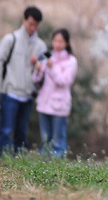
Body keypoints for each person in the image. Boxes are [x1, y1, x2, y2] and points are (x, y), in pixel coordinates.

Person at [0, 6, 48, 155]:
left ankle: (19, 165)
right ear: (24, 20)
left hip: (28, 95)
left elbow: (44, 73)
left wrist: (38, 66)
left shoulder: (41, 46)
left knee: (22, 133)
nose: (33, 28)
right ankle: (3, 164)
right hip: (10, 92)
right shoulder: (11, 39)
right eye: (30, 24)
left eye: (36, 25)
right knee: (6, 130)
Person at [33, 28, 78, 158]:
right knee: (45, 139)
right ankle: (43, 167)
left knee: (58, 140)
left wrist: (52, 68)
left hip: (59, 105)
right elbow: (36, 80)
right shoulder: (46, 56)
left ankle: (58, 167)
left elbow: (64, 81)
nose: (57, 44)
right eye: (55, 41)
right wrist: (37, 70)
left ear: (67, 43)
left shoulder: (71, 61)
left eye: (60, 41)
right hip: (44, 103)